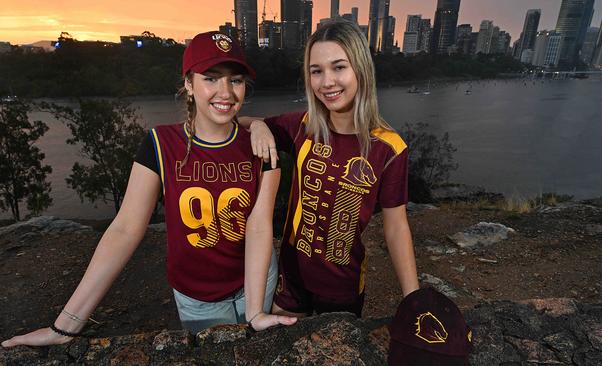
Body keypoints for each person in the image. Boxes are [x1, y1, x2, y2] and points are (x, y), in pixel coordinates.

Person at [1, 30, 295, 348]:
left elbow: (260, 226)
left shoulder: (260, 145)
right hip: (198, 295)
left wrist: (254, 311)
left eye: (235, 80)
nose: (225, 92)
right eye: (211, 78)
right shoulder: (160, 143)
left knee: (255, 348)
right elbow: (126, 229)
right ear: (188, 84)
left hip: (257, 280)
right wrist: (65, 327)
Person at [241, 20, 419, 318]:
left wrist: (413, 298)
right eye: (316, 71)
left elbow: (397, 226)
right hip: (291, 278)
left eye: (339, 67)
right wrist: (258, 125)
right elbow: (239, 123)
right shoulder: (302, 126)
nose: (327, 82)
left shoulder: (389, 148)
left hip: (343, 286)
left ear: (360, 69)